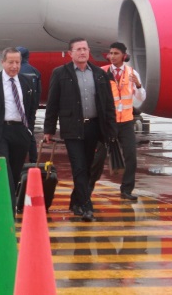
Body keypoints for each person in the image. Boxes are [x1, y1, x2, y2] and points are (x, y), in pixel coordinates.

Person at [43, 38, 117, 222]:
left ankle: (75, 202)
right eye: (78, 49)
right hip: (72, 127)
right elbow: (52, 103)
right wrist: (49, 129)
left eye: (85, 49)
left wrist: (111, 129)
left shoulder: (99, 74)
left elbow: (108, 104)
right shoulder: (60, 73)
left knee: (88, 167)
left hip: (94, 126)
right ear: (71, 53)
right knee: (78, 166)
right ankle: (86, 206)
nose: (82, 52)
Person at [0, 47, 38, 213]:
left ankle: (12, 201)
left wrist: (29, 130)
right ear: (3, 62)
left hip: (20, 131)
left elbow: (32, 108)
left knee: (16, 171)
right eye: (11, 62)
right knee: (5, 171)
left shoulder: (26, 82)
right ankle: (9, 208)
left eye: (17, 62)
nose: (14, 66)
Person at [90, 42, 146, 201]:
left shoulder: (131, 73)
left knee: (131, 157)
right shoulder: (102, 72)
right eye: (111, 53)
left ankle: (126, 189)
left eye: (116, 53)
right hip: (108, 123)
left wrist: (138, 84)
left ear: (124, 56)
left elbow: (141, 98)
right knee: (98, 157)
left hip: (126, 122)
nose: (112, 56)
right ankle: (89, 186)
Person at [16, 46, 42, 163]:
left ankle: (18, 160)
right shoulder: (35, 72)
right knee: (30, 134)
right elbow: (38, 92)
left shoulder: (17, 70)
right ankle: (33, 160)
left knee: (16, 134)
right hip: (31, 110)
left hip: (17, 109)